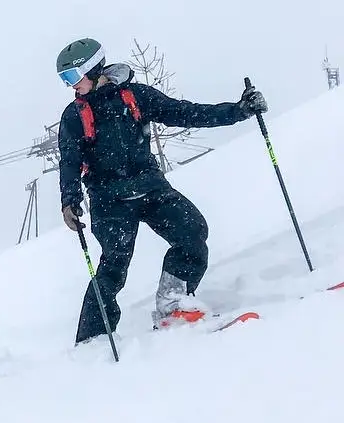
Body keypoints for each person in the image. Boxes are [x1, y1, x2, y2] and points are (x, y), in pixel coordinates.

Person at [54, 37, 268, 344]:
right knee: (113, 266)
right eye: (65, 80)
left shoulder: (135, 95)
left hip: (150, 187)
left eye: (72, 78)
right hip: (109, 199)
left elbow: (186, 113)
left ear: (94, 70)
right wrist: (69, 201)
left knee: (192, 232)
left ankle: (173, 306)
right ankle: (91, 342)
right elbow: (70, 162)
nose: (70, 86)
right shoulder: (74, 115)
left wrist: (239, 111)